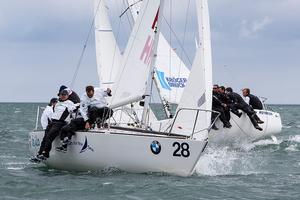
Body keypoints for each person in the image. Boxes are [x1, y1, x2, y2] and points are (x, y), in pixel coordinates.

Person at [31, 90, 79, 162]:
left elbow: (75, 107)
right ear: (59, 95)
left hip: (60, 123)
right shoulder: (58, 104)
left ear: (67, 96)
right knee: (45, 138)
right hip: (53, 122)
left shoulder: (69, 103)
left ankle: (45, 154)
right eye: (61, 95)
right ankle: (39, 154)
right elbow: (55, 112)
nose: (62, 96)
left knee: (50, 137)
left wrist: (78, 106)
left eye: (64, 95)